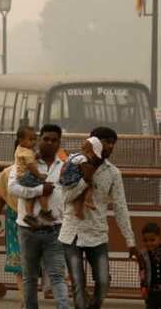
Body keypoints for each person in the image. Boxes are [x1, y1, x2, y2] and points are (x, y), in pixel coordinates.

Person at [59, 126, 138, 309]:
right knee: (78, 284)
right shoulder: (74, 164)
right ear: (93, 142)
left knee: (102, 282)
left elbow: (120, 207)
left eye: (112, 143)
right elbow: (65, 198)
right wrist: (84, 181)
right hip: (73, 234)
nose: (110, 147)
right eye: (106, 142)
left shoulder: (113, 173)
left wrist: (130, 240)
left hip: (97, 234)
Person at [8, 124, 69, 309]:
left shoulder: (65, 165)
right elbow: (13, 188)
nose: (49, 143)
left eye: (54, 140)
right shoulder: (27, 161)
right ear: (39, 139)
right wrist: (40, 189)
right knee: (30, 277)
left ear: (59, 143)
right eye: (46, 139)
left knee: (58, 276)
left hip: (55, 229)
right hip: (28, 230)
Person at [0, 163, 23, 308]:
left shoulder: (44, 170)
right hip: (15, 220)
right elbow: (0, 199)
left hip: (41, 223)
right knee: (20, 263)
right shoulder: (8, 173)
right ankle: (24, 300)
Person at [14, 126, 53, 228]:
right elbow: (31, 166)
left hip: (22, 176)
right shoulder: (26, 152)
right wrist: (39, 175)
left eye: (35, 139)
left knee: (31, 195)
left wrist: (35, 156)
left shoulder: (22, 149)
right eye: (31, 139)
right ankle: (44, 211)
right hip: (26, 175)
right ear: (21, 140)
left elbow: (28, 159)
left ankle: (29, 215)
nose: (34, 142)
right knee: (43, 190)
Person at [59, 137, 104, 219]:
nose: (92, 158)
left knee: (78, 195)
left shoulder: (73, 155)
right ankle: (88, 201)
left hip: (65, 181)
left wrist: (62, 176)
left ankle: (77, 211)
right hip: (72, 181)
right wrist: (90, 182)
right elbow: (86, 174)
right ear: (89, 151)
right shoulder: (83, 159)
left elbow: (64, 165)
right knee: (87, 187)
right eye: (93, 155)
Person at [140, 222, 161, 309]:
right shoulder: (143, 255)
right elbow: (142, 273)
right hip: (152, 292)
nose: (149, 243)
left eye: (152, 240)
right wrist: (143, 288)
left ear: (159, 238)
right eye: (145, 240)